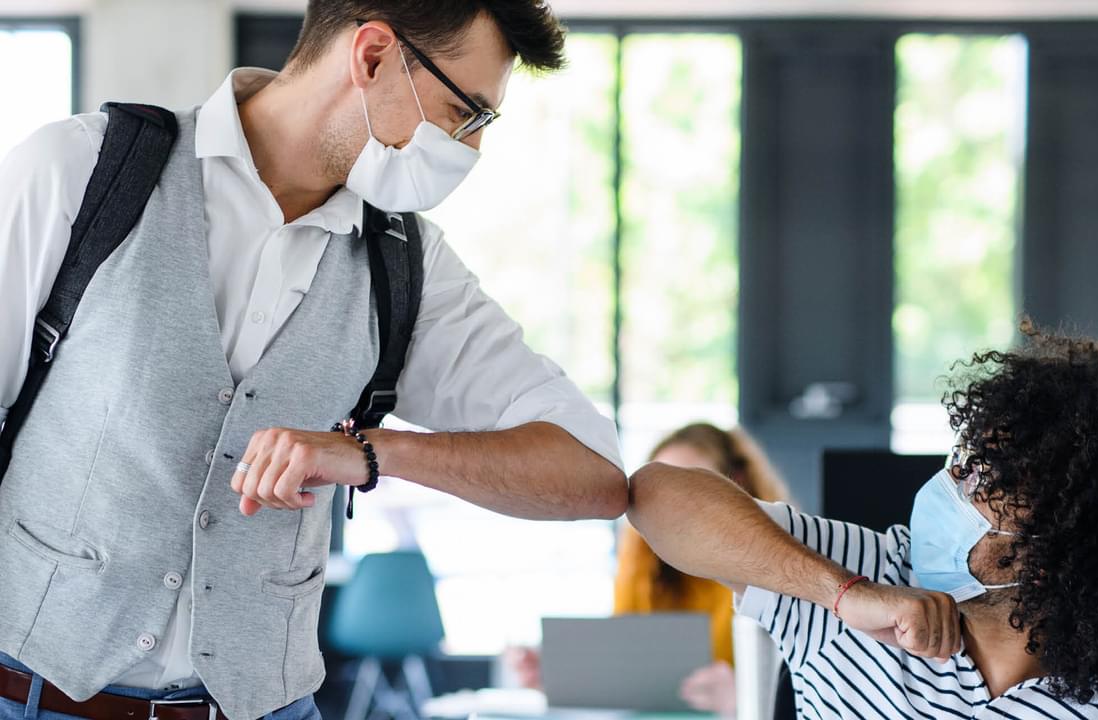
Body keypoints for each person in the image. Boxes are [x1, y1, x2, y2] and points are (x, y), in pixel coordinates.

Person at [0, 2, 627, 719]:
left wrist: (368, 451)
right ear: (371, 55)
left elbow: (594, 472)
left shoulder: (407, 269)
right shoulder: (78, 171)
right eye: (465, 112)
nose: (470, 149)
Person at [627, 322, 1098, 719]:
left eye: (983, 483)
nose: (946, 488)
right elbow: (654, 496)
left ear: (1066, 546)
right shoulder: (869, 573)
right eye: (963, 464)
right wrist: (844, 594)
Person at [507, 422, 791, 714]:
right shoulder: (642, 562)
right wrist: (559, 675)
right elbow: (624, 670)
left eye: (692, 489)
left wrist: (743, 699)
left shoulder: (781, 573)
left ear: (738, 486)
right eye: (660, 493)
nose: (671, 509)